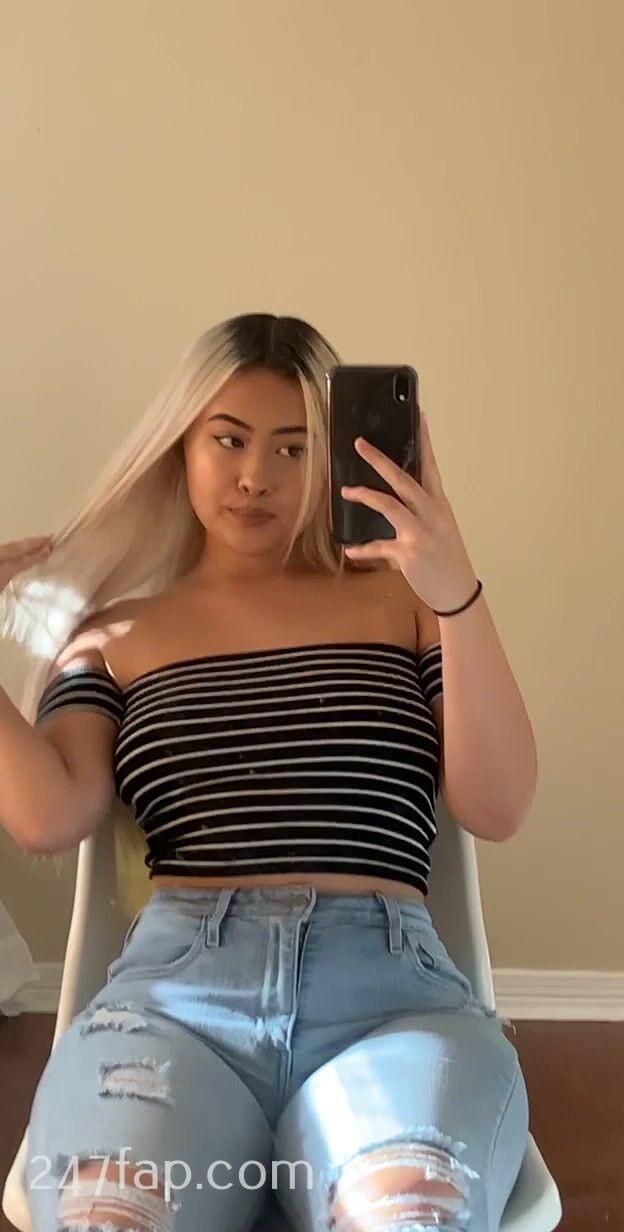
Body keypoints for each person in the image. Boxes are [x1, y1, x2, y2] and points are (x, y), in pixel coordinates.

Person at [0, 314, 535, 1232]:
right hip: (171, 1007)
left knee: (408, 1217)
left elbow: (499, 804)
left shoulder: (408, 604)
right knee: (108, 1216)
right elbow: (49, 815)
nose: (256, 475)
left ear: (330, 460)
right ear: (181, 446)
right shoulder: (115, 635)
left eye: (293, 447)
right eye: (229, 439)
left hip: (392, 1007)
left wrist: (457, 592)